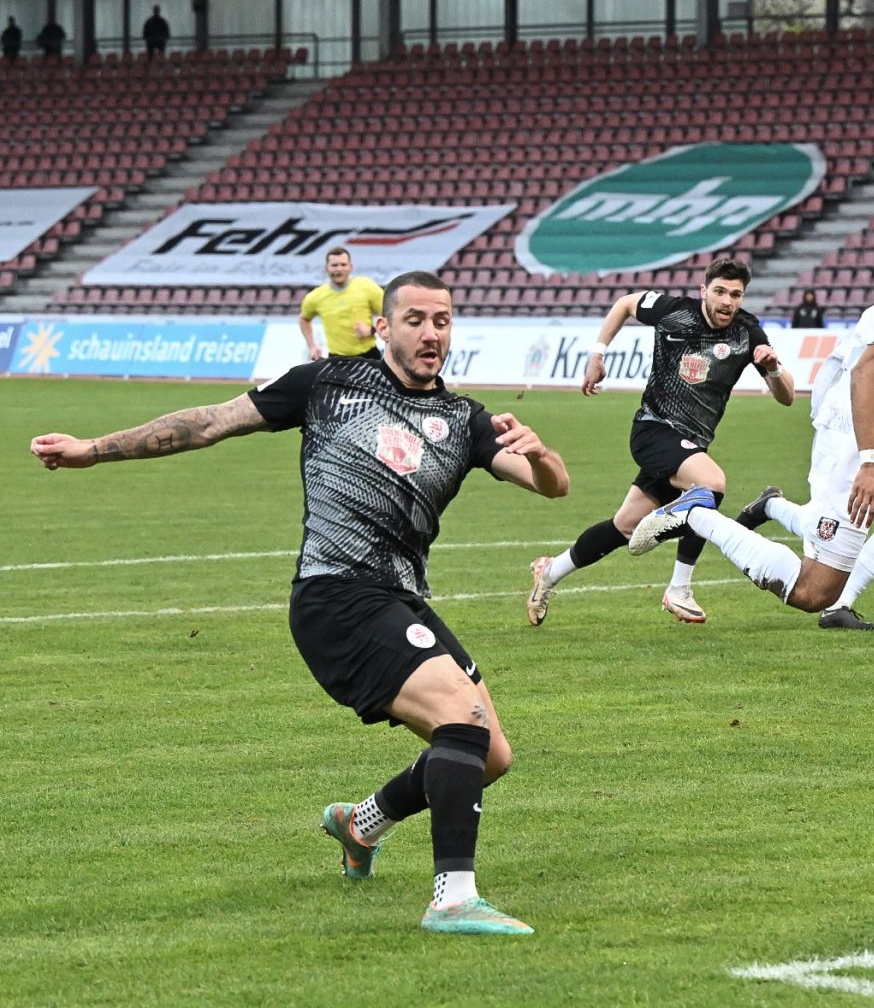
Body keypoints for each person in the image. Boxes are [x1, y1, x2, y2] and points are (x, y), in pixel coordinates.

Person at [29, 272, 571, 936]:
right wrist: (91, 450)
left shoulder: (465, 420)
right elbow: (211, 422)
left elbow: (552, 486)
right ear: (383, 327)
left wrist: (540, 455)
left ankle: (361, 823)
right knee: (463, 717)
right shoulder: (327, 383)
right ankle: (452, 898)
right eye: (416, 320)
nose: (432, 333)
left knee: (490, 756)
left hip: (399, 598)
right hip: (335, 596)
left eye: (443, 320)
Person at [627, 208, 874, 757]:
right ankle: (696, 513)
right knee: (814, 593)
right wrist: (870, 462)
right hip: (854, 446)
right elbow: (867, 371)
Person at [526, 255, 794, 627]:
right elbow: (624, 304)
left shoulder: (747, 333)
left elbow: (787, 396)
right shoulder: (673, 311)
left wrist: (773, 367)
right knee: (710, 485)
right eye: (720, 291)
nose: (727, 301)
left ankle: (549, 572)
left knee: (622, 527)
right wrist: (597, 354)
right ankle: (679, 588)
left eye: (735, 294)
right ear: (704, 290)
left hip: (690, 447)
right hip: (654, 430)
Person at [737, 246, 874, 632]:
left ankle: (834, 594)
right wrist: (853, 445)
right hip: (845, 433)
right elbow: (857, 380)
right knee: (839, 529)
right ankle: (759, 513)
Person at [298, 247, 384, 360]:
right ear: (327, 268)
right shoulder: (316, 297)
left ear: (350, 267)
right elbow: (304, 319)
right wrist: (312, 347)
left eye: (343, 265)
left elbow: (391, 315)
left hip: (369, 355)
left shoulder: (367, 286)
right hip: (336, 359)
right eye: (334, 265)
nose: (339, 269)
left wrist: (372, 330)